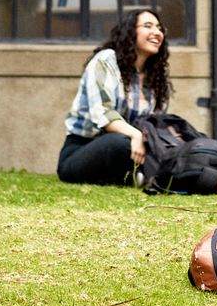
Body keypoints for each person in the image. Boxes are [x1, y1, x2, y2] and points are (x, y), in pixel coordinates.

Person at [57, 10, 172, 185]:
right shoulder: (106, 61)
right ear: (130, 31)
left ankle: (142, 177)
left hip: (133, 150)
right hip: (83, 149)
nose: (157, 32)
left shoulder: (155, 76)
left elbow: (154, 123)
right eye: (148, 26)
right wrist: (136, 135)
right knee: (117, 143)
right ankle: (146, 177)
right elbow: (103, 114)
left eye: (159, 28)